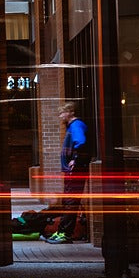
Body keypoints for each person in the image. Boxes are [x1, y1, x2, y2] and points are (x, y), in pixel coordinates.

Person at [48, 102, 90, 244]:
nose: (60, 116)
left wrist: (75, 160)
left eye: (62, 113)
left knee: (71, 201)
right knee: (68, 201)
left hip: (75, 171)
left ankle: (65, 233)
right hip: (72, 170)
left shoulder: (76, 126)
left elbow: (81, 142)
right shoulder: (73, 127)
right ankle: (62, 231)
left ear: (70, 112)